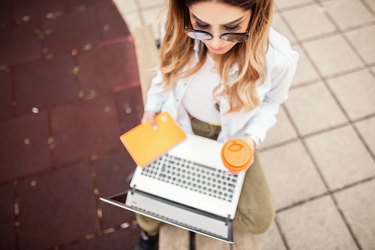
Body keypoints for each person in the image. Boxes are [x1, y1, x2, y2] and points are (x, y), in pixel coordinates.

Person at [135, 0, 298, 249]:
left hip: (233, 139)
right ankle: (148, 233)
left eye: (232, 28)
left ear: (257, 12)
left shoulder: (277, 57)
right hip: (179, 126)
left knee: (260, 219)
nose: (215, 43)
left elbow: (271, 104)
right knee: (144, 200)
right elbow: (164, 71)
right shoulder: (177, 25)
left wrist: (250, 139)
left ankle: (190, 207)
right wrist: (151, 107)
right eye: (201, 26)